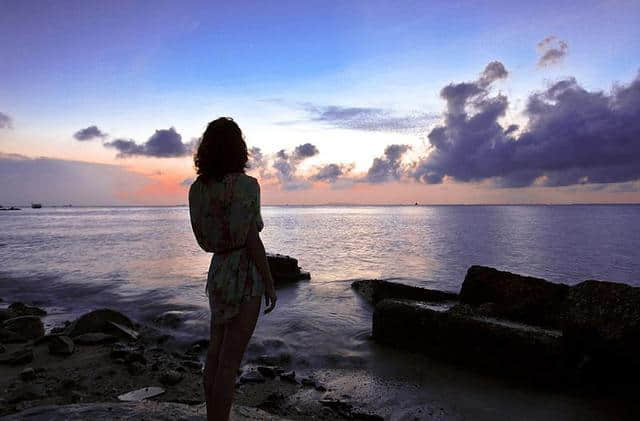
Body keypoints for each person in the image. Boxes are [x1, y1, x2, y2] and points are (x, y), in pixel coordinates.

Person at [188, 117, 277, 420]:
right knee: (230, 363)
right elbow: (251, 239)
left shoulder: (197, 191)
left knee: (214, 356)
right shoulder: (247, 186)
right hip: (245, 275)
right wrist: (269, 281)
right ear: (239, 149)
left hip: (218, 271)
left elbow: (203, 237)